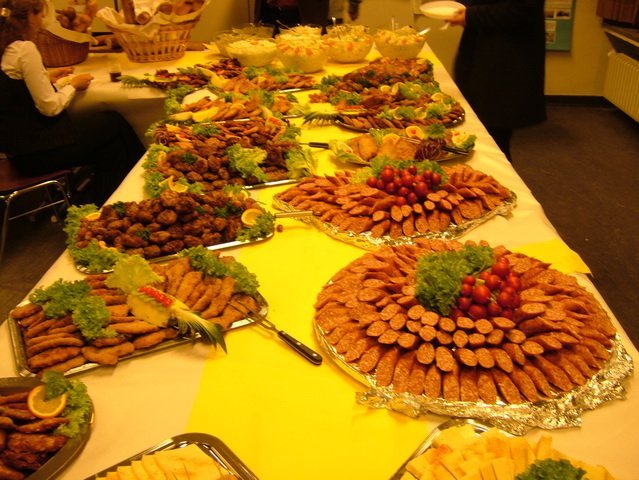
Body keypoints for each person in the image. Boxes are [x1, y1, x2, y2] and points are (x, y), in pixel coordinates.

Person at [0, 0, 144, 206]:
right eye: (40, 15)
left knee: (113, 147)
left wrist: (45, 78)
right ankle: (139, 183)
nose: (41, 22)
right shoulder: (24, 49)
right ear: (30, 16)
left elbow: (12, 89)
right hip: (37, 152)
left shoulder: (6, 49)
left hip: (17, 153)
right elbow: (50, 107)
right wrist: (74, 85)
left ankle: (107, 205)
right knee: (114, 123)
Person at [448, 0, 546, 161]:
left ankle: (493, 177)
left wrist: (470, 15)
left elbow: (522, 9)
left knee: (493, 141)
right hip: (485, 56)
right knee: (479, 133)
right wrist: (459, 7)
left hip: (505, 63)